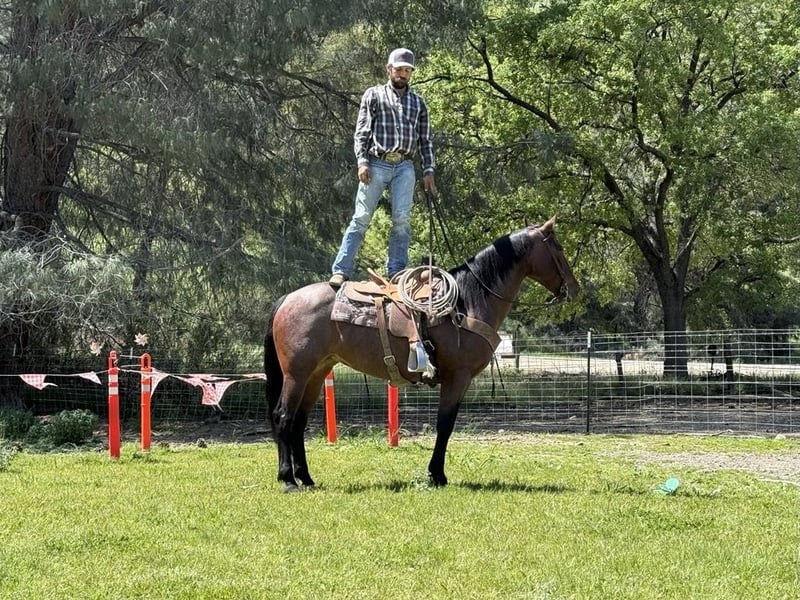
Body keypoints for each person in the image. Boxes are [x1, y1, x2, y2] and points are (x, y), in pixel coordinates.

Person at [329, 47, 437, 288]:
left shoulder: (418, 103)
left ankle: (396, 271)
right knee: (361, 217)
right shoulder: (374, 95)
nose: (403, 74)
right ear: (389, 69)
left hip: (405, 165)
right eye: (399, 69)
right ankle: (341, 269)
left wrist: (429, 170)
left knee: (402, 220)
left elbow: (425, 140)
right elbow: (362, 132)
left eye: (407, 70)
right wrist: (362, 161)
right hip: (377, 162)